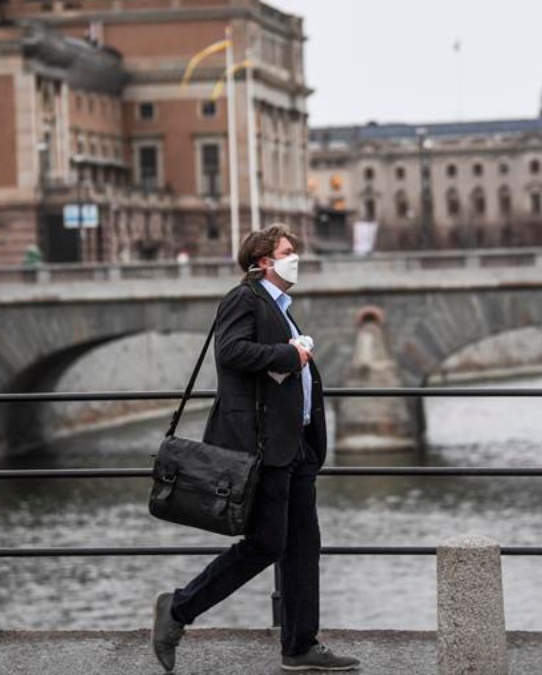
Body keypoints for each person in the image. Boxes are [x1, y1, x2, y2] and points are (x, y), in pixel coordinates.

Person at [152, 224, 360, 672]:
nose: (295, 258)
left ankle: (300, 645)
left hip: (297, 443)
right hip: (265, 445)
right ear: (264, 261)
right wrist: (290, 355)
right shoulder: (244, 298)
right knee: (267, 543)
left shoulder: (280, 306)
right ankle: (178, 609)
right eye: (288, 252)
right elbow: (231, 352)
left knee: (304, 546)